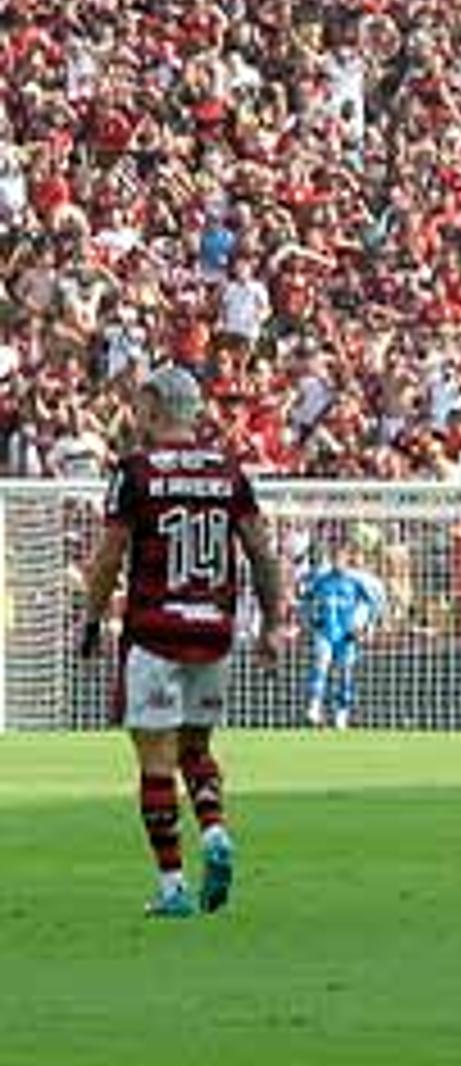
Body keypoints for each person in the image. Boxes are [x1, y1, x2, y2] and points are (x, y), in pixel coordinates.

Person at [76, 368, 285, 917]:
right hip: (214, 631)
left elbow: (108, 556)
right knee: (196, 748)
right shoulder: (230, 473)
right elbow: (262, 555)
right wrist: (272, 624)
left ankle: (172, 887)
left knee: (155, 759)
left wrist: (93, 620)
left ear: (152, 408)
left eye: (139, 406)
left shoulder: (135, 472)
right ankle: (214, 833)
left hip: (154, 631)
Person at [299, 536, 388, 728]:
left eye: (341, 557)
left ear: (347, 558)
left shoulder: (356, 581)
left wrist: (366, 628)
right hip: (325, 631)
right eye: (334, 557)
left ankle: (342, 712)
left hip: (347, 635)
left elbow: (374, 605)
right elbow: (304, 600)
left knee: (345, 673)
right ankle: (314, 708)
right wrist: (310, 620)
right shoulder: (322, 579)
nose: (337, 561)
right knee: (320, 666)